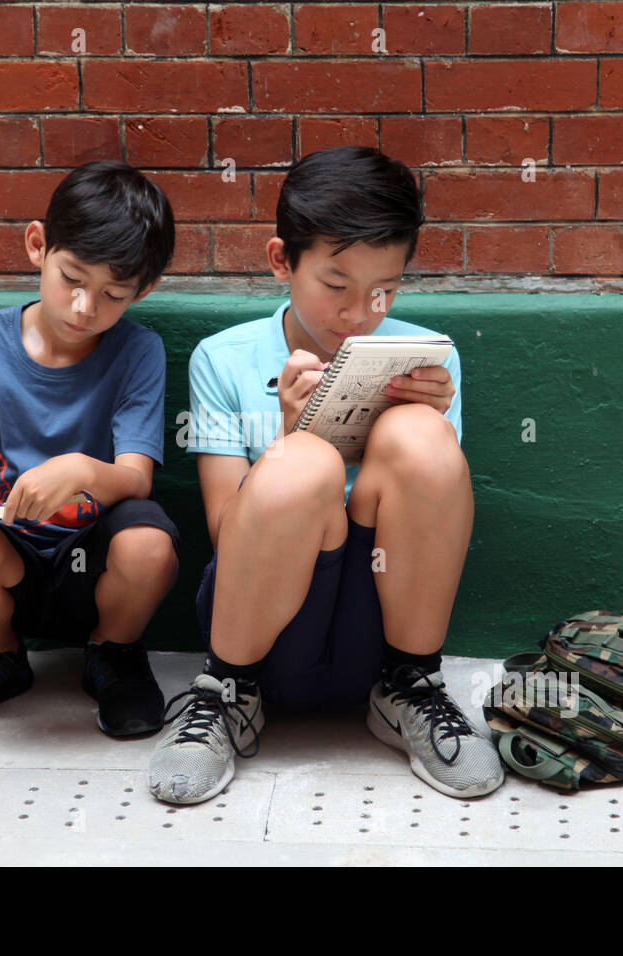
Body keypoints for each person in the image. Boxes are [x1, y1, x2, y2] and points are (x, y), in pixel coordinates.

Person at [148, 145, 504, 804]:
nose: (359, 312)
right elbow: (228, 532)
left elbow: (432, 514)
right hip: (261, 638)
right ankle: (222, 697)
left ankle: (412, 690)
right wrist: (293, 439)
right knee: (305, 460)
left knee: (421, 436)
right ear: (282, 260)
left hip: (384, 634)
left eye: (384, 289)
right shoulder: (222, 361)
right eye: (335, 285)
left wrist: (422, 426)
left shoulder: (428, 360)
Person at [0, 160, 180, 741]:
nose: (86, 307)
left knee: (150, 545)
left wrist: (83, 470)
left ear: (144, 289)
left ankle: (113, 654)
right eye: (72, 279)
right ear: (38, 246)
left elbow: (136, 480)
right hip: (10, 551)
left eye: (113, 294)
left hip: (96, 555)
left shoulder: (139, 351)